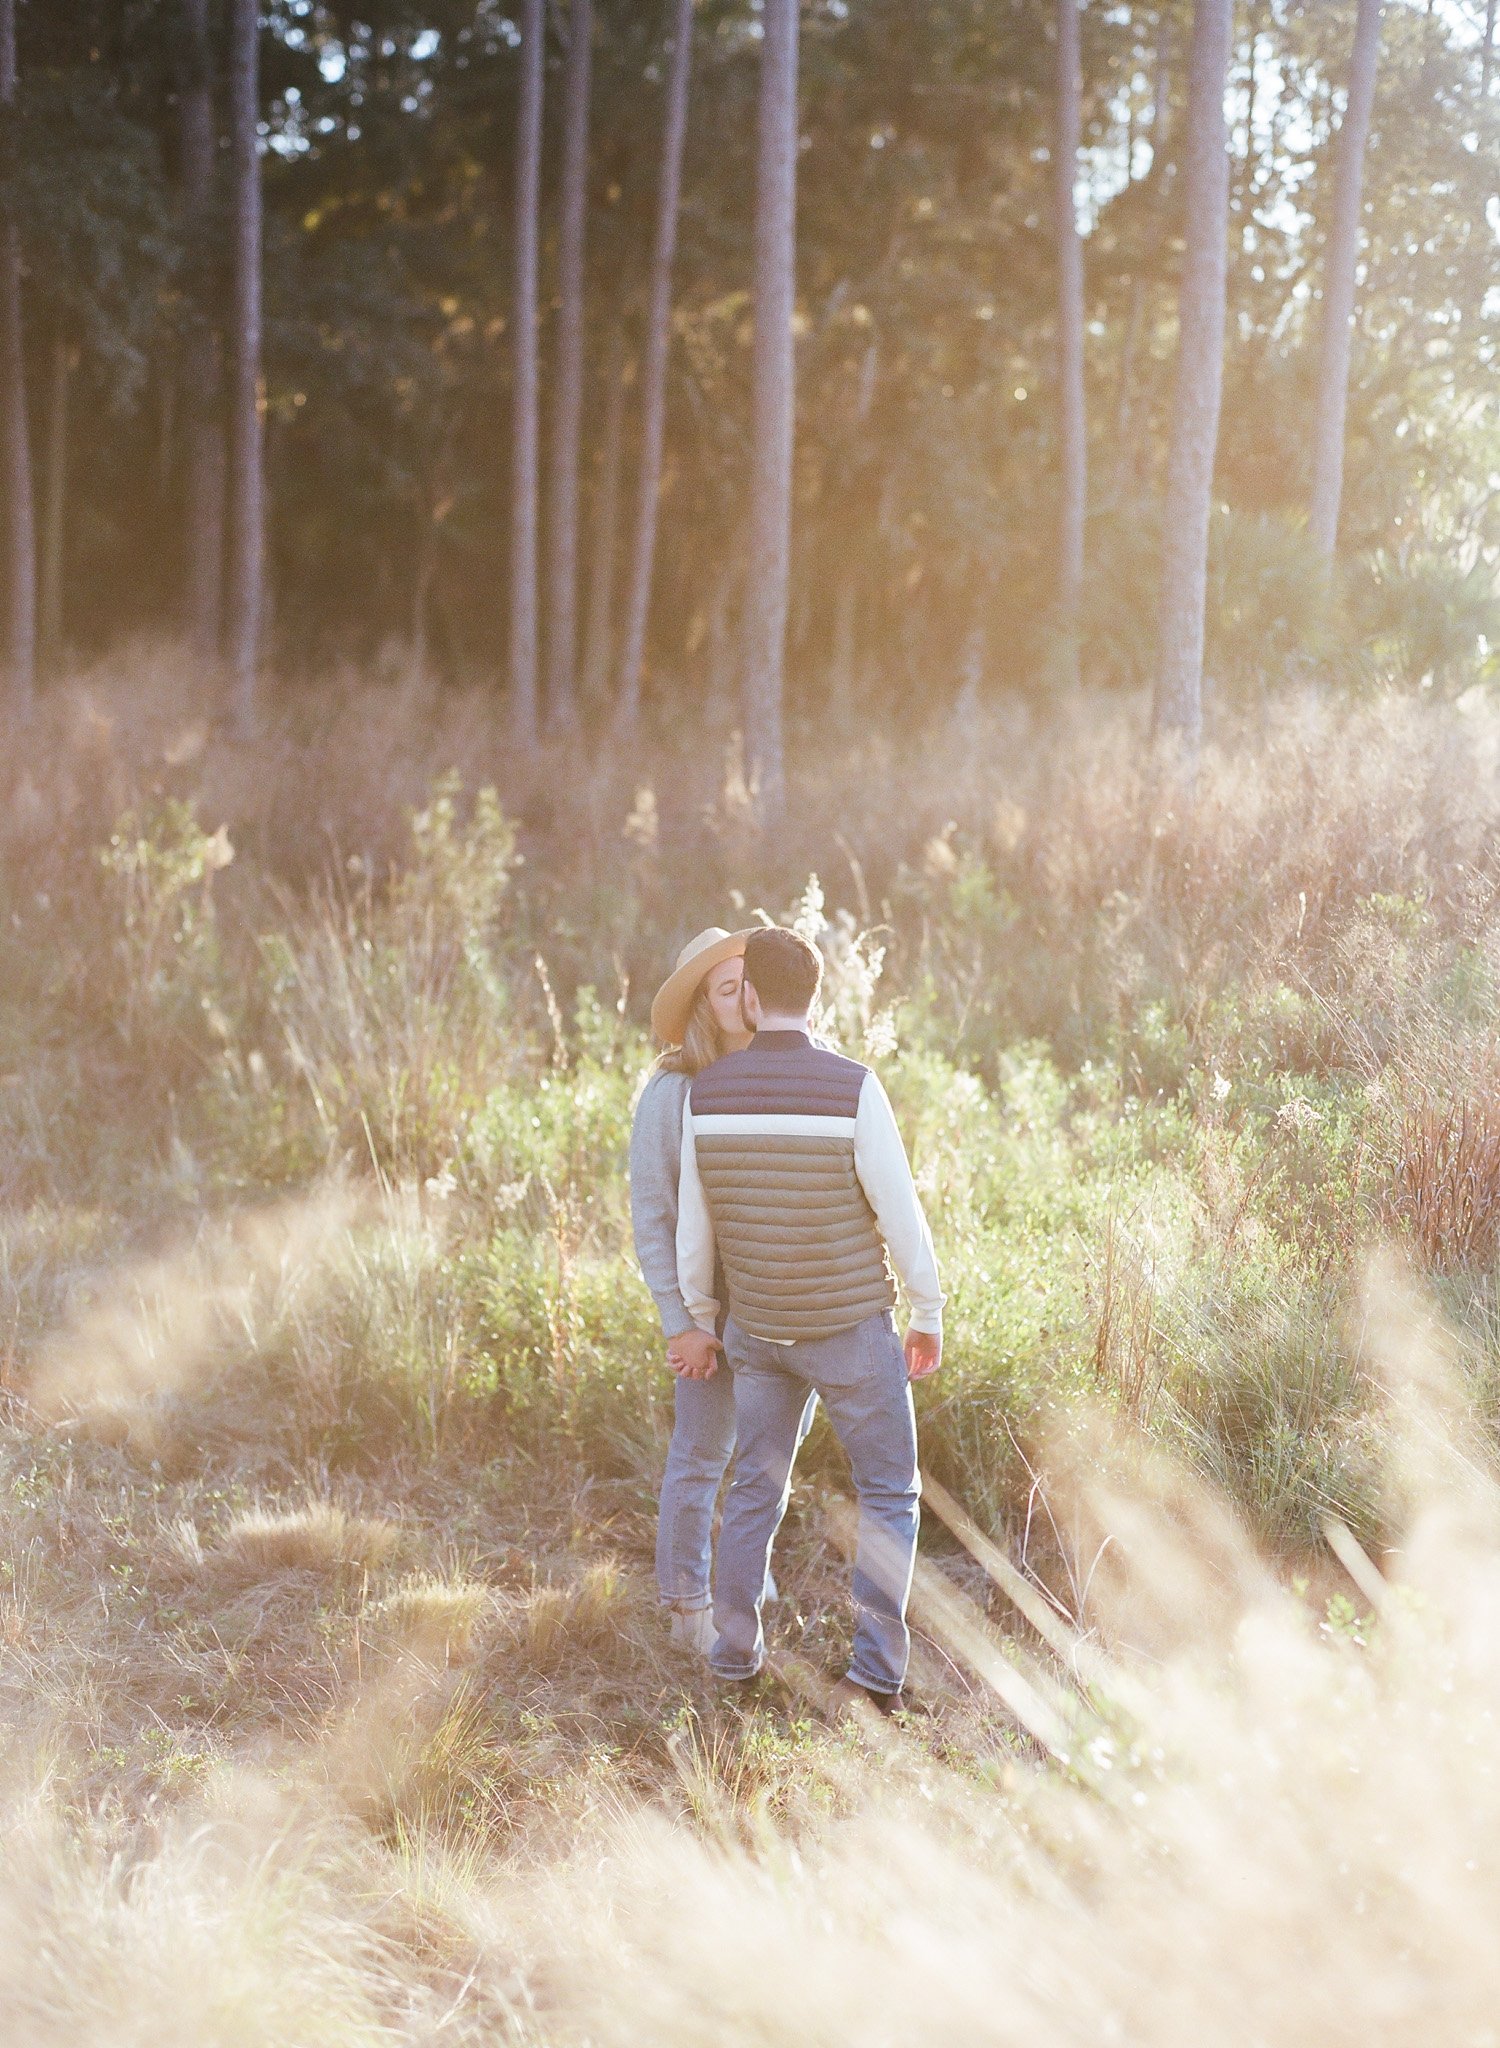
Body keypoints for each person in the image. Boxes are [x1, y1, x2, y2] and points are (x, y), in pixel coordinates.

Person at [675, 925, 944, 1713]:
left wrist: (701, 1314)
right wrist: (926, 1312)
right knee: (889, 1489)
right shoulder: (853, 1086)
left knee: (755, 1489)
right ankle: (875, 1675)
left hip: (757, 1331)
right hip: (851, 1329)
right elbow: (902, 1215)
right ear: (813, 995)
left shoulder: (707, 1093)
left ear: (752, 996)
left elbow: (698, 1229)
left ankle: (732, 1658)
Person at [630, 925, 809, 1651]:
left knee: (773, 1456)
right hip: (712, 1308)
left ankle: (746, 1573)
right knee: (702, 1454)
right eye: (727, 989)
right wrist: (681, 1321)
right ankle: (685, 1609)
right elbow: (654, 1216)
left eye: (750, 983)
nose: (746, 998)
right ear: (706, 1006)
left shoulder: (790, 1072)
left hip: (789, 1308)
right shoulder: (674, 1092)